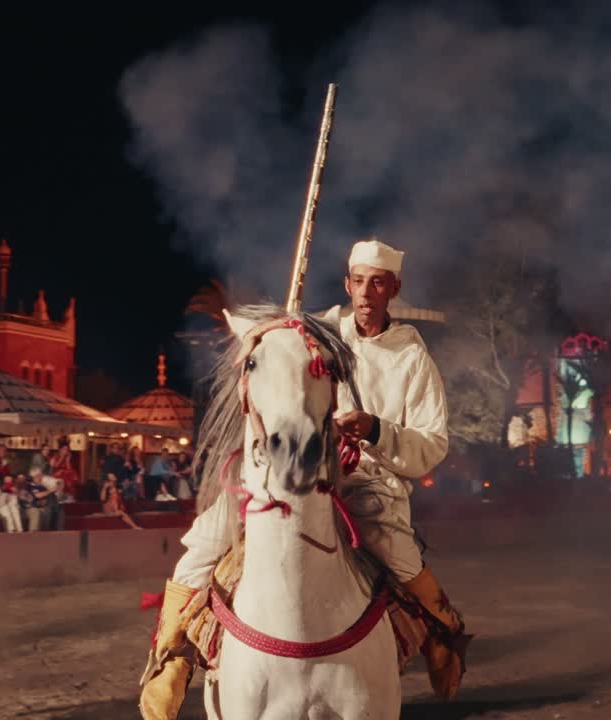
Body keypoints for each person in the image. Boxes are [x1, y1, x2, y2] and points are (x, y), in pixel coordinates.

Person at [140, 239, 468, 718]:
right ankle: (171, 657)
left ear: (394, 288)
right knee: (210, 534)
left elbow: (432, 443)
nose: (366, 293)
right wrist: (274, 326)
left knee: (392, 545)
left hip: (369, 479)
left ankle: (443, 631)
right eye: (358, 281)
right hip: (301, 467)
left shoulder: (411, 356)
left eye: (378, 283)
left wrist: (376, 429)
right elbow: (275, 345)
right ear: (347, 285)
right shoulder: (322, 328)